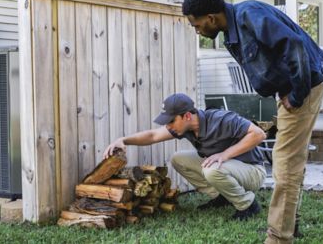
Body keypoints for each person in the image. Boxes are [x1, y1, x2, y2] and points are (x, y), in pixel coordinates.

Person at [182, 0, 323, 244]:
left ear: (211, 18)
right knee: (291, 160)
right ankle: (290, 224)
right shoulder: (232, 32)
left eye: (197, 25)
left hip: (303, 87)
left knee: (284, 163)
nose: (197, 30)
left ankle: (279, 237)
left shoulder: (249, 14)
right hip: (290, 91)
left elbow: (293, 44)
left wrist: (295, 95)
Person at [103, 93, 267, 221]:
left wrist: (224, 155)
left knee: (211, 170)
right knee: (178, 159)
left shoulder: (222, 119)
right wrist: (123, 140)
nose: (168, 126)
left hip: (252, 171)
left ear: (187, 116)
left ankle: (248, 205)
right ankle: (221, 196)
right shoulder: (185, 128)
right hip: (227, 168)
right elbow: (152, 135)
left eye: (171, 121)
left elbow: (259, 134)